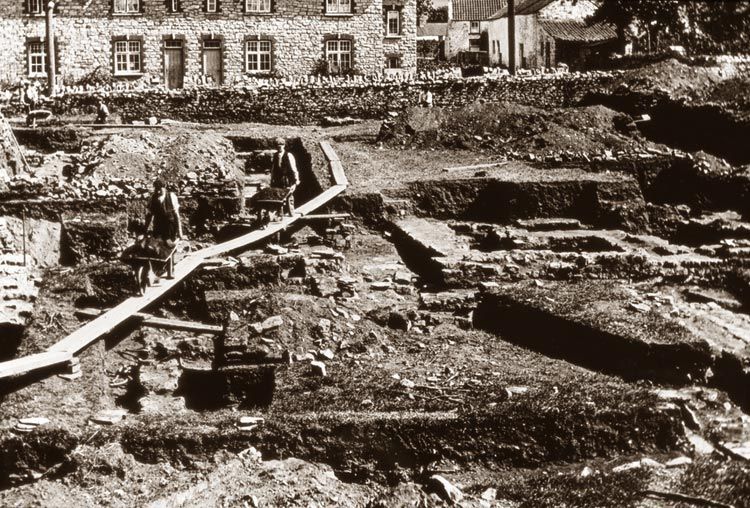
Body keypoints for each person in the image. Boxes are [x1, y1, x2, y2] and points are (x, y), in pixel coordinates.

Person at [270, 137, 300, 217]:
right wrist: (272, 179)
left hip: (287, 178)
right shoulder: (275, 155)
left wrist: (296, 180)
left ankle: (291, 212)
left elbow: (294, 168)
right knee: (279, 196)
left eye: (281, 145)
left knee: (289, 195)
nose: (279, 147)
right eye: (278, 146)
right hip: (278, 179)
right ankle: (280, 214)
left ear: (284, 146)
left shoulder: (289, 155)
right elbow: (273, 169)